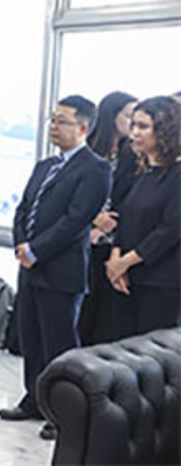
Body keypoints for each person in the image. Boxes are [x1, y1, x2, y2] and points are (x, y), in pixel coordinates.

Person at [0, 95, 111, 441]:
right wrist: (22, 245)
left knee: (59, 346)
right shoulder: (45, 165)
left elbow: (76, 220)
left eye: (62, 121)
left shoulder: (96, 169)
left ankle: (64, 414)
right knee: (31, 339)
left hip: (61, 269)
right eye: (53, 119)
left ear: (83, 127)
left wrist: (37, 250)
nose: (54, 126)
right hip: (29, 266)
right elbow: (23, 209)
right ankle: (34, 400)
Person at [106, 96, 180, 336]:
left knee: (150, 352)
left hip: (161, 281)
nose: (135, 133)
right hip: (128, 276)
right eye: (134, 125)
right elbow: (125, 218)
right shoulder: (144, 172)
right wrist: (116, 259)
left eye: (143, 126)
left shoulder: (177, 175)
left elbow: (170, 230)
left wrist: (125, 262)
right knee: (121, 348)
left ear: (165, 130)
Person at [77, 91, 138, 345]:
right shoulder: (86, 151)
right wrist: (93, 219)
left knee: (101, 318)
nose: (133, 124)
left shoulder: (132, 155)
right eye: (129, 116)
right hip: (81, 238)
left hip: (113, 243)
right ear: (112, 116)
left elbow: (131, 202)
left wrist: (106, 228)